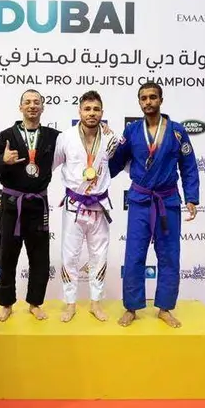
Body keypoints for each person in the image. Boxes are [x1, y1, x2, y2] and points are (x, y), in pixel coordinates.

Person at [108, 82, 200, 328]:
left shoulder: (177, 132)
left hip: (167, 201)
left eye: (152, 97)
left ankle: (165, 308)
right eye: (143, 98)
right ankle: (132, 307)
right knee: (135, 255)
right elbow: (116, 162)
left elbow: (189, 166)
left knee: (169, 256)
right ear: (139, 102)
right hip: (139, 201)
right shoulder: (132, 131)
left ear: (161, 100)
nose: (148, 102)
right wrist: (95, 178)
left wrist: (191, 197)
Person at [0, 89, 60, 322]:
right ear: (20, 107)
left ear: (43, 107)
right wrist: (2, 161)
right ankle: (6, 304)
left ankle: (35, 303)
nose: (32, 106)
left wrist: (103, 130)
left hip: (38, 204)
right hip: (11, 204)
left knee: (40, 256)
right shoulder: (6, 136)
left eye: (37, 102)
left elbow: (81, 141)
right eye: (27, 102)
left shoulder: (53, 136)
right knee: (8, 255)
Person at [52, 90, 118, 322]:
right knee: (69, 256)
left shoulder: (111, 139)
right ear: (79, 111)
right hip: (74, 204)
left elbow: (121, 164)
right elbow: (51, 165)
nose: (92, 113)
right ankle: (70, 303)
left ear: (102, 112)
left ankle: (95, 303)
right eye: (87, 109)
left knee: (99, 256)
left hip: (99, 204)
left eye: (96, 109)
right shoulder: (66, 137)